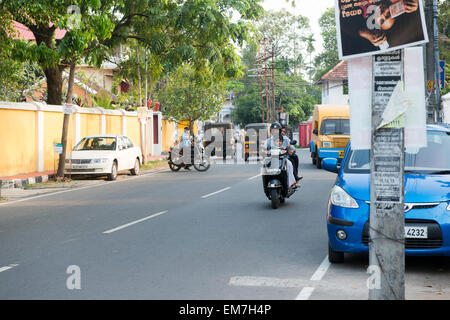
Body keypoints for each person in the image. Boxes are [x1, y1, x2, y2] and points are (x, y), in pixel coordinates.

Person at [264, 122, 300, 189]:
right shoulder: (268, 140)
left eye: (277, 130)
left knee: (291, 162)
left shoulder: (285, 139)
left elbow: (292, 148)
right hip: (272, 159)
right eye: (273, 130)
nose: (275, 132)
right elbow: (264, 149)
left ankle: (294, 181)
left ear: (280, 130)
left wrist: (290, 149)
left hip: (284, 158)